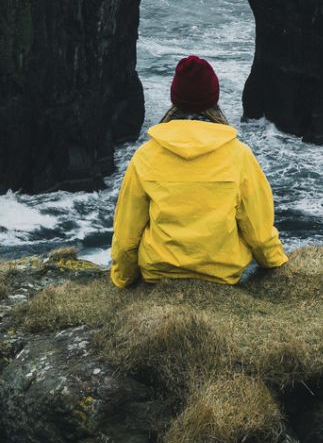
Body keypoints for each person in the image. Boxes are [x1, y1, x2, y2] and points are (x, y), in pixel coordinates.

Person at [108, 55, 287, 288]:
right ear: (214, 98)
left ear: (175, 98)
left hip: (159, 272)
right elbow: (259, 231)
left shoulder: (146, 155)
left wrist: (123, 278)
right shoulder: (239, 155)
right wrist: (275, 262)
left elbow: (126, 234)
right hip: (221, 274)